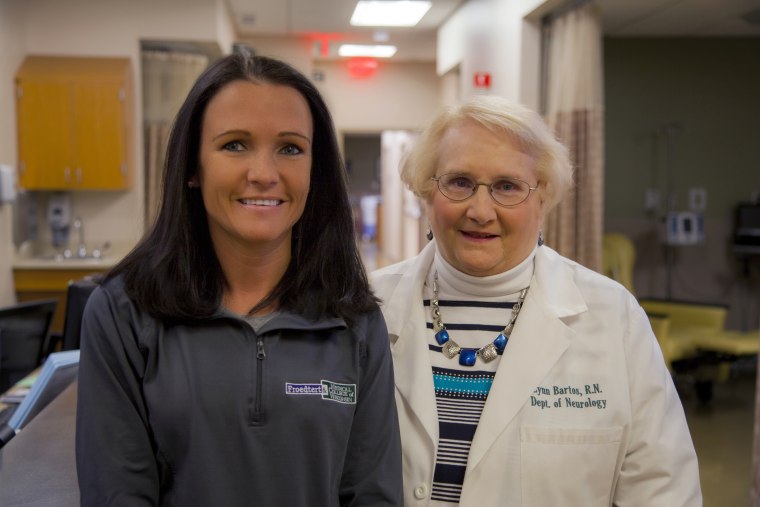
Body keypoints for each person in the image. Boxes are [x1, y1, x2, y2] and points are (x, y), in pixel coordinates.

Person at [76, 52, 402, 506]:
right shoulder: (123, 314)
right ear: (193, 167)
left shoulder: (355, 321)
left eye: (290, 148)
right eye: (234, 145)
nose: (264, 174)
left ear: (315, 170)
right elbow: (118, 495)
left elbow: (372, 494)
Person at [370, 95, 701, 505]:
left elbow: (662, 489)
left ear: (542, 197)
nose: (480, 210)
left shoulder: (614, 317)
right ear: (427, 188)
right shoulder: (367, 307)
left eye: (507, 186)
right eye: (460, 182)